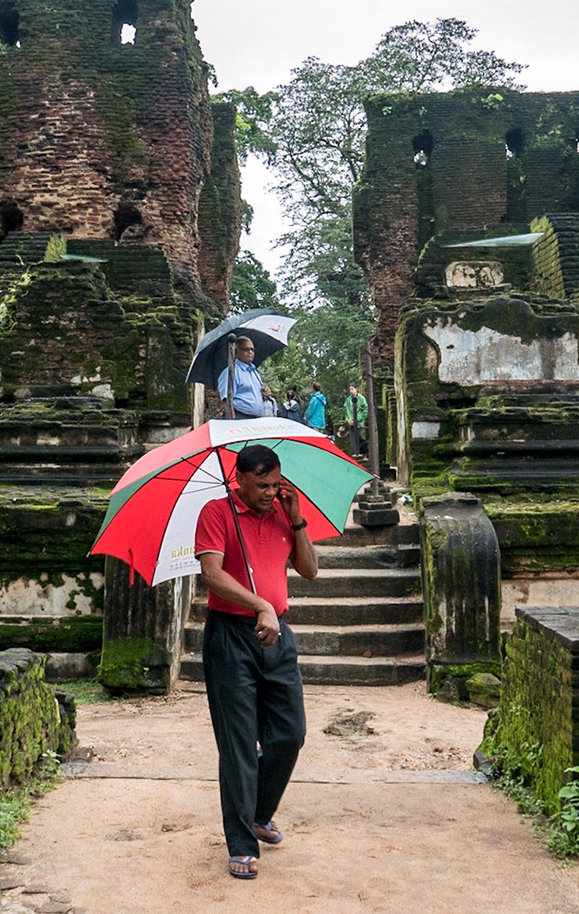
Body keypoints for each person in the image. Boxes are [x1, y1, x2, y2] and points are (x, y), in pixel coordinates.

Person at [193, 444, 316, 880]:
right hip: (231, 637)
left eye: (275, 483)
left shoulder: (284, 512)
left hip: (277, 637)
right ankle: (242, 844)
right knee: (240, 745)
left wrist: (297, 516)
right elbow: (211, 574)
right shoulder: (216, 512)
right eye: (261, 485)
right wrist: (258, 603)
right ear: (239, 479)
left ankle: (261, 813)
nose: (269, 492)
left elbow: (309, 570)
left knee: (290, 733)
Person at [216, 336, 265, 418]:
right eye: (246, 349)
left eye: (252, 350)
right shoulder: (231, 372)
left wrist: (264, 394)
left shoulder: (255, 372)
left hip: (256, 419)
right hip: (240, 417)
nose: (250, 352)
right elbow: (226, 400)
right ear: (236, 352)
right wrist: (232, 419)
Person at [342, 382, 369, 458]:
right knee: (352, 440)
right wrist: (348, 420)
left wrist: (358, 419)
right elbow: (346, 412)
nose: (351, 391)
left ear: (356, 389)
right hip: (351, 423)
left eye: (352, 389)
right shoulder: (348, 400)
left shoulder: (361, 399)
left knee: (360, 438)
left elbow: (365, 410)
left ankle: (363, 454)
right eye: (350, 390)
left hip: (359, 423)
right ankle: (354, 455)